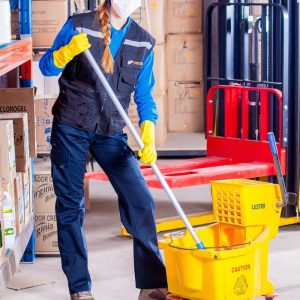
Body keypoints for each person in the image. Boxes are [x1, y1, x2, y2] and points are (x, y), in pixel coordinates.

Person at [39, 0, 169, 299]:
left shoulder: (144, 41)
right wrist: (65, 52)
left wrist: (148, 130)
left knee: (141, 199)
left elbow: (144, 95)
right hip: (71, 127)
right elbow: (47, 67)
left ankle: (152, 285)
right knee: (71, 207)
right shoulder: (78, 25)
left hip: (111, 133)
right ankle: (80, 288)